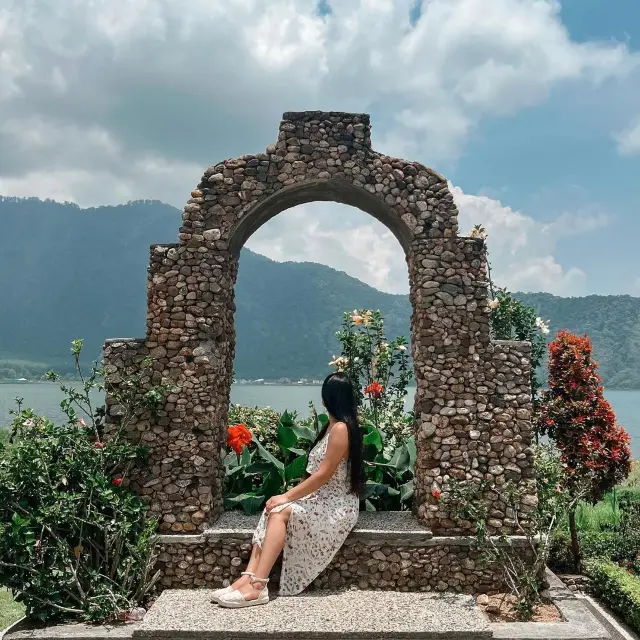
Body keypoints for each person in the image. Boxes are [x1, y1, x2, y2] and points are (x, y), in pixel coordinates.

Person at [212, 371, 363, 608]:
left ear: (325, 400)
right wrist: (284, 497)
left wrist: (287, 495)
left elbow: (324, 474)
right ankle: (247, 578)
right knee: (274, 507)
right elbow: (313, 474)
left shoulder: (342, 429)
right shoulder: (330, 427)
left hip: (336, 505)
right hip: (321, 498)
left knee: (281, 509)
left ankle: (259, 586)